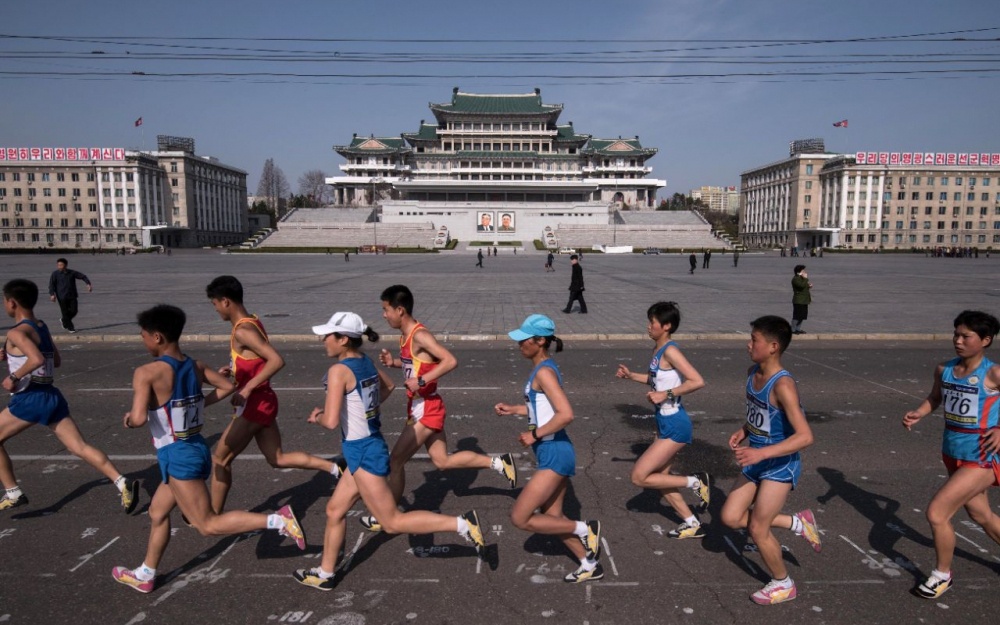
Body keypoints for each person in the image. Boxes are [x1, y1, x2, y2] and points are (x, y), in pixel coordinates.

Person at [112, 304, 306, 594]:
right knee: (157, 512)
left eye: (143, 336)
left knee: (207, 525)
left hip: (178, 455)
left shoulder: (146, 372)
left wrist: (129, 419)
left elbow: (139, 418)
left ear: (157, 337)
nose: (143, 341)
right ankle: (146, 573)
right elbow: (227, 387)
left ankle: (279, 520)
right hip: (195, 448)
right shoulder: (196, 365)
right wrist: (198, 403)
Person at [293, 312, 487, 591]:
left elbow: (331, 421)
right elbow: (388, 387)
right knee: (334, 510)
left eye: (327, 335)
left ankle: (462, 524)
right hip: (365, 446)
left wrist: (318, 416)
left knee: (393, 522)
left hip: (363, 452)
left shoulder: (338, 371)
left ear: (343, 339)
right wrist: (361, 410)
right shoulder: (364, 361)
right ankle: (325, 573)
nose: (323, 340)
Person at [358, 285, 516, 533]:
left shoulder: (420, 335)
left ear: (400, 310)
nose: (383, 315)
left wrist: (421, 381)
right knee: (442, 461)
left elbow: (450, 360)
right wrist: (394, 363)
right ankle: (498, 463)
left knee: (396, 461)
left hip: (427, 407)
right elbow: (419, 364)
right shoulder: (405, 335)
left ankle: (387, 515)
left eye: (386, 309)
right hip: (421, 406)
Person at [205, 276, 343, 515]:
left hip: (255, 403)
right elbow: (256, 360)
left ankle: (213, 516)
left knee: (220, 459)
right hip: (263, 401)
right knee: (277, 458)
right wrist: (235, 370)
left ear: (225, 301)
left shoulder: (243, 331)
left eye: (215, 304)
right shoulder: (252, 321)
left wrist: (247, 388)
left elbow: (276, 360)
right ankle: (334, 469)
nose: (215, 309)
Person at [0, 279, 138, 514]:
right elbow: (55, 360)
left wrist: (13, 376)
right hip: (51, 395)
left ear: (12, 303)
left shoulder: (17, 332)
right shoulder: (41, 326)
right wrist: (12, 355)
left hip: (31, 397)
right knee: (79, 446)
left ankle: (13, 492)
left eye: (4, 301)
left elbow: (37, 359)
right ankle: (121, 482)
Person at [720, 315, 821, 605]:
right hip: (756, 459)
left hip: (779, 464)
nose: (748, 344)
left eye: (755, 340)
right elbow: (763, 414)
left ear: (773, 346)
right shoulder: (753, 372)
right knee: (730, 517)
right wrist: (744, 430)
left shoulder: (783, 385)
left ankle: (783, 583)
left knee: (757, 528)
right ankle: (796, 522)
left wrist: (761, 452)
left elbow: (805, 436)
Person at [495, 314, 603, 583]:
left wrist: (534, 434)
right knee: (553, 516)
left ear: (541, 341)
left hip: (555, 450)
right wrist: (515, 409)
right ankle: (589, 564)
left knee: (520, 518)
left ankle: (585, 529)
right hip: (552, 450)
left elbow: (566, 414)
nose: (519, 344)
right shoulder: (542, 368)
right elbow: (542, 409)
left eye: (524, 340)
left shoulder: (544, 372)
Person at [902, 310, 1000, 600]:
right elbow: (935, 398)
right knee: (981, 514)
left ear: (985, 340)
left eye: (966, 336)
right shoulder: (944, 369)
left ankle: (942, 575)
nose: (958, 340)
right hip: (952, 453)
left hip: (981, 456)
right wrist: (919, 413)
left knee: (937, 513)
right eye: (956, 334)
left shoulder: (994, 373)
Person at [615, 302, 710, 538]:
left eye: (653, 322)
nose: (648, 326)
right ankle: (692, 523)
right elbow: (655, 379)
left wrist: (666, 394)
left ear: (666, 326)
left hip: (676, 423)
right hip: (664, 421)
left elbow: (697, 381)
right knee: (661, 479)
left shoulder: (670, 351)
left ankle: (695, 482)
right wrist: (631, 376)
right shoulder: (658, 350)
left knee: (640, 477)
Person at [48, 258, 92, 333]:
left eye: (61, 265)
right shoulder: (55, 274)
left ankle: (64, 320)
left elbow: (83, 276)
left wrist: (88, 284)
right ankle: (70, 328)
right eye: (58, 265)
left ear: (66, 265)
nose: (59, 266)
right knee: (65, 312)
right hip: (61, 296)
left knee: (74, 310)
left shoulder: (72, 273)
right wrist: (52, 294)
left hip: (72, 295)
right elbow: (51, 285)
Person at [791, 265, 812, 335]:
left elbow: (804, 286)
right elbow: (801, 286)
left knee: (802, 316)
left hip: (804, 300)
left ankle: (798, 328)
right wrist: (805, 279)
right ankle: (793, 329)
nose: (804, 272)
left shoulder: (802, 278)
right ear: (799, 272)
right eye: (803, 271)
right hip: (799, 301)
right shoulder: (795, 279)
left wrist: (809, 286)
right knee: (797, 316)